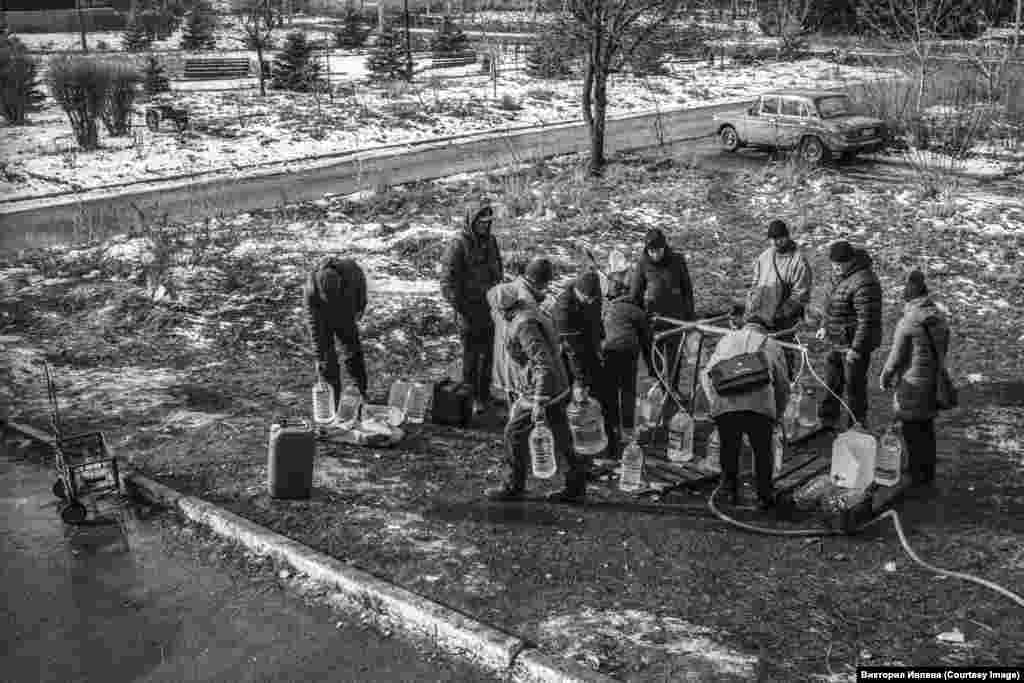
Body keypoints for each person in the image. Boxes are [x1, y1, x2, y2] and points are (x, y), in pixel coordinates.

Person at [485, 258, 587, 503]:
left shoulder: (523, 325)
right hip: (558, 384)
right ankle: (577, 484)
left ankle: (513, 485)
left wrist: (539, 399)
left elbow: (542, 363)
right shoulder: (530, 311)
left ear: (504, 310)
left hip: (544, 388)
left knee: (514, 433)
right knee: (562, 434)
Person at [700, 293, 790, 509]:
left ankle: (729, 490)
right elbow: (783, 385)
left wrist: (715, 402)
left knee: (729, 450)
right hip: (760, 408)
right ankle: (764, 496)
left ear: (744, 323)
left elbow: (707, 374)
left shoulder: (727, 339)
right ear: (766, 327)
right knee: (762, 453)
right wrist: (777, 414)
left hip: (727, 406)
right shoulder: (772, 345)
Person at [880, 271, 950, 486]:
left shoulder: (908, 321)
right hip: (931, 381)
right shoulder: (938, 317)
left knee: (911, 429)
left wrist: (885, 376)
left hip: (912, 383)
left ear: (909, 295)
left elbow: (896, 356)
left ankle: (916, 474)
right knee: (926, 428)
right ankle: (927, 472)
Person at [440, 200, 504, 416]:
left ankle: (484, 394)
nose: (485, 226)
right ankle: (470, 396)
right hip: (468, 311)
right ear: (472, 221)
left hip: (490, 308)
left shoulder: (491, 242)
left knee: (488, 354)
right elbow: (447, 283)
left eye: (488, 222)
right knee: (471, 356)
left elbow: (498, 271)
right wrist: (462, 307)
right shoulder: (458, 244)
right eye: (481, 222)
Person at [815, 240, 883, 429]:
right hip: (836, 339)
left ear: (851, 260)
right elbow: (829, 305)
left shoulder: (865, 281)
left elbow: (867, 321)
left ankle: (856, 424)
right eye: (833, 264)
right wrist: (824, 326)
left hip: (854, 343)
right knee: (832, 380)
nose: (835, 268)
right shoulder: (838, 275)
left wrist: (856, 348)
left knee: (854, 385)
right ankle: (828, 420)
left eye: (839, 264)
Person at [629, 228, 695, 393]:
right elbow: (636, 292)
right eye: (651, 251)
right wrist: (639, 317)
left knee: (675, 357)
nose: (655, 255)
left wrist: (689, 315)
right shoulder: (643, 263)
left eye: (658, 251)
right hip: (653, 320)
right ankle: (659, 387)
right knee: (655, 356)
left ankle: (672, 389)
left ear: (664, 248)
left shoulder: (677, 260)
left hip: (676, 318)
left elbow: (687, 289)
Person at [602, 271, 654, 460]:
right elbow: (648, 342)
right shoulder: (637, 312)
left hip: (608, 352)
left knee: (610, 392)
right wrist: (652, 367)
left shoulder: (609, 308)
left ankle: (612, 431)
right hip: (628, 354)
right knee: (628, 391)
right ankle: (628, 429)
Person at [304, 256, 368, 407]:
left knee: (352, 350)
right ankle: (333, 400)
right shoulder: (311, 289)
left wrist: (360, 307)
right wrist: (320, 355)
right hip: (320, 314)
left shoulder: (351, 271)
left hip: (345, 309)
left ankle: (360, 391)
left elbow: (361, 288)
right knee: (326, 358)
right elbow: (314, 328)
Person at [748, 219, 812, 335]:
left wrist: (781, 314)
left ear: (787, 237)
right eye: (772, 239)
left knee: (784, 351)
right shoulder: (764, 257)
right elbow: (755, 283)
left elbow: (801, 295)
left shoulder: (798, 261)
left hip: (784, 322)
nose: (775, 242)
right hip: (759, 318)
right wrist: (751, 305)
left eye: (779, 239)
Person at [552, 269, 605, 402]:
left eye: (593, 298)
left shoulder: (593, 294)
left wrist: (600, 341)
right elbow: (572, 349)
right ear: (577, 291)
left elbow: (596, 321)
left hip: (588, 343)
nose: (590, 301)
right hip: (567, 350)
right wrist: (580, 381)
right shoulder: (563, 308)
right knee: (570, 388)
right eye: (587, 298)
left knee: (598, 386)